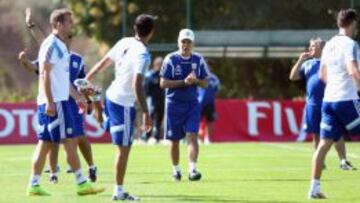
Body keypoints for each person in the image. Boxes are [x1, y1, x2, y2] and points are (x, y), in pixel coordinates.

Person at [26, 8, 104, 196]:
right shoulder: (52, 44)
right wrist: (51, 102)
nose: (72, 25)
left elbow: (62, 79)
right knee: (70, 141)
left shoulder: (60, 46)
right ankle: (81, 183)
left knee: (44, 143)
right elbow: (44, 73)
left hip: (57, 101)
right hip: (56, 103)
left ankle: (33, 184)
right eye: (69, 22)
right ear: (59, 24)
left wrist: (78, 98)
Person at [85, 14, 154, 201]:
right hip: (123, 103)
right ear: (151, 33)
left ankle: (99, 107)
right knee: (123, 149)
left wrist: (87, 78)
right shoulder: (143, 54)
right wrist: (147, 113)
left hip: (111, 96)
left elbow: (102, 63)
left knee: (115, 135)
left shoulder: (124, 41)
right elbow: (137, 84)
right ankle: (119, 192)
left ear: (134, 28)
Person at [308, 9, 360, 199]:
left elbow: (322, 75)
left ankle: (314, 189)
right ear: (352, 23)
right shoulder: (351, 44)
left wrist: (336, 86)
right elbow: (353, 70)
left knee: (323, 145)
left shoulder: (329, 45)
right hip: (346, 100)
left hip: (328, 100)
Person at [289, 37, 355, 170]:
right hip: (312, 105)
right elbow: (293, 77)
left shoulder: (331, 62)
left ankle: (343, 161)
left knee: (337, 133)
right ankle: (320, 162)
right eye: (310, 46)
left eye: (313, 46)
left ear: (322, 48)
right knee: (316, 134)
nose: (310, 48)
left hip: (330, 101)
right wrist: (301, 59)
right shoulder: (308, 64)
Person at [160, 28, 208, 182]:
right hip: (174, 104)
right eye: (183, 41)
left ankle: (192, 170)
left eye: (188, 42)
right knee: (174, 140)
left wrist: (196, 81)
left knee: (193, 136)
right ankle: (176, 170)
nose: (185, 45)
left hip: (192, 104)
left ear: (192, 44)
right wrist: (184, 82)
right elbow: (162, 83)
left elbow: (206, 83)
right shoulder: (170, 59)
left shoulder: (198, 60)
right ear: (178, 42)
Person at [197, 59, 220, 144]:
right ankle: (199, 139)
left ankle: (208, 139)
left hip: (210, 104)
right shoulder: (198, 77)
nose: (207, 67)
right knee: (196, 122)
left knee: (210, 121)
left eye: (209, 66)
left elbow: (217, 90)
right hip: (198, 104)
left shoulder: (214, 78)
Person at [143, 56, 165, 144]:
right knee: (150, 118)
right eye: (159, 64)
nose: (161, 66)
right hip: (151, 100)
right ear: (155, 64)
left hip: (161, 100)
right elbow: (146, 89)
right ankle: (147, 137)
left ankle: (157, 137)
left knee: (159, 119)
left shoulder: (163, 75)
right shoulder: (150, 75)